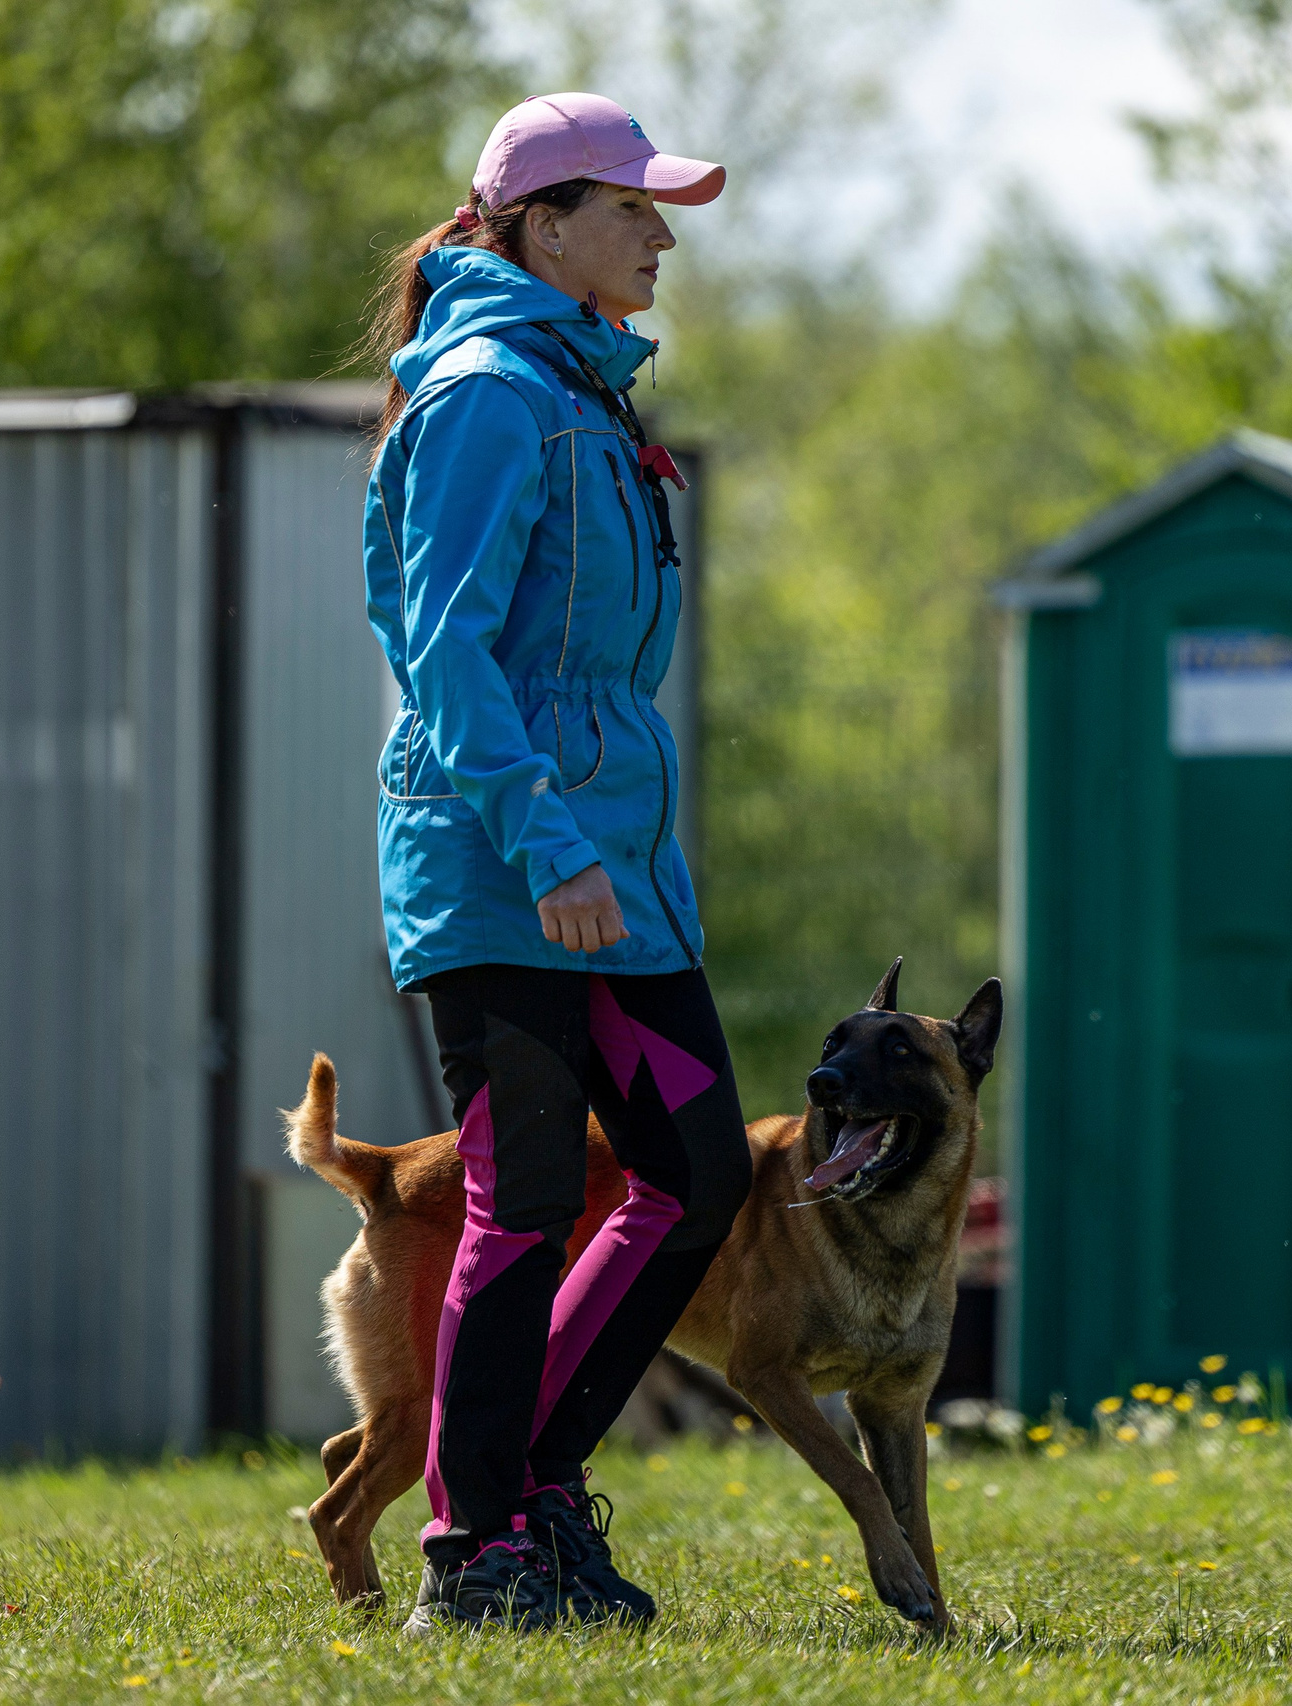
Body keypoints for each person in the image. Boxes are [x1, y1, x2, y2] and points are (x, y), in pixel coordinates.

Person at [357, 92, 750, 1634]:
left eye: (660, 212)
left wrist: (606, 852)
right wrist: (544, 840)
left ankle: (530, 1490)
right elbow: (443, 653)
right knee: (523, 1196)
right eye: (636, 209)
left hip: (616, 876)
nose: (660, 236)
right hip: (499, 862)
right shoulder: (487, 396)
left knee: (696, 1168)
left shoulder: (590, 394)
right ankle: (478, 1550)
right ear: (540, 225)